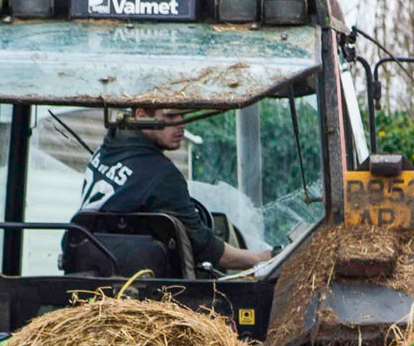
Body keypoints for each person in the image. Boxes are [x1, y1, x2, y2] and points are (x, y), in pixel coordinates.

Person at [77, 108, 271, 271]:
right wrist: (262, 258)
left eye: (183, 115)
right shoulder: (162, 175)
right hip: (139, 285)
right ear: (142, 114)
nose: (181, 124)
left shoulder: (107, 150)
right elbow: (206, 248)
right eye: (170, 117)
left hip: (84, 263)